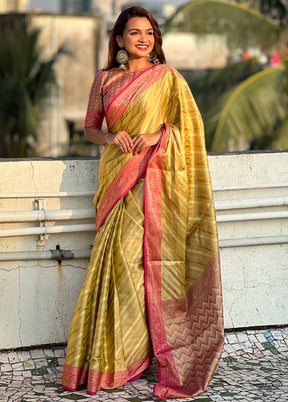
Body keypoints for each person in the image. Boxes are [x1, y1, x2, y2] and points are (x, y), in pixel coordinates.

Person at [62, 6, 224, 400]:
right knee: (116, 264)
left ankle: (139, 355)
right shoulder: (104, 79)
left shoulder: (168, 79)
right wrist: (112, 138)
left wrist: (157, 136)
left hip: (153, 178)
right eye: (134, 33)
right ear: (118, 39)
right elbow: (90, 129)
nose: (142, 39)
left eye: (148, 33)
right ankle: (113, 358)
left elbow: (190, 129)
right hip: (115, 177)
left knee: (135, 263)